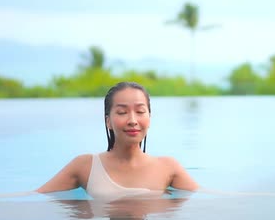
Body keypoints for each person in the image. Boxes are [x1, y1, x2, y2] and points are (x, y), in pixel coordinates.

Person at [36, 81, 199, 200]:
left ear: (149, 118)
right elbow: (36, 197)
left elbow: (206, 200)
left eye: (140, 111)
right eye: (122, 112)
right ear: (108, 121)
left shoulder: (168, 167)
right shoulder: (85, 166)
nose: (132, 120)